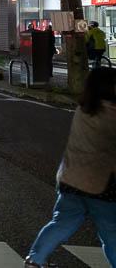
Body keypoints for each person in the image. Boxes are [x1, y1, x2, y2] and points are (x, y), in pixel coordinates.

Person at [24, 67, 116, 267]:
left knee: (62, 223)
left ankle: (34, 260)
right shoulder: (112, 114)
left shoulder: (83, 110)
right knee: (112, 234)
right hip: (101, 187)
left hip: (70, 180)